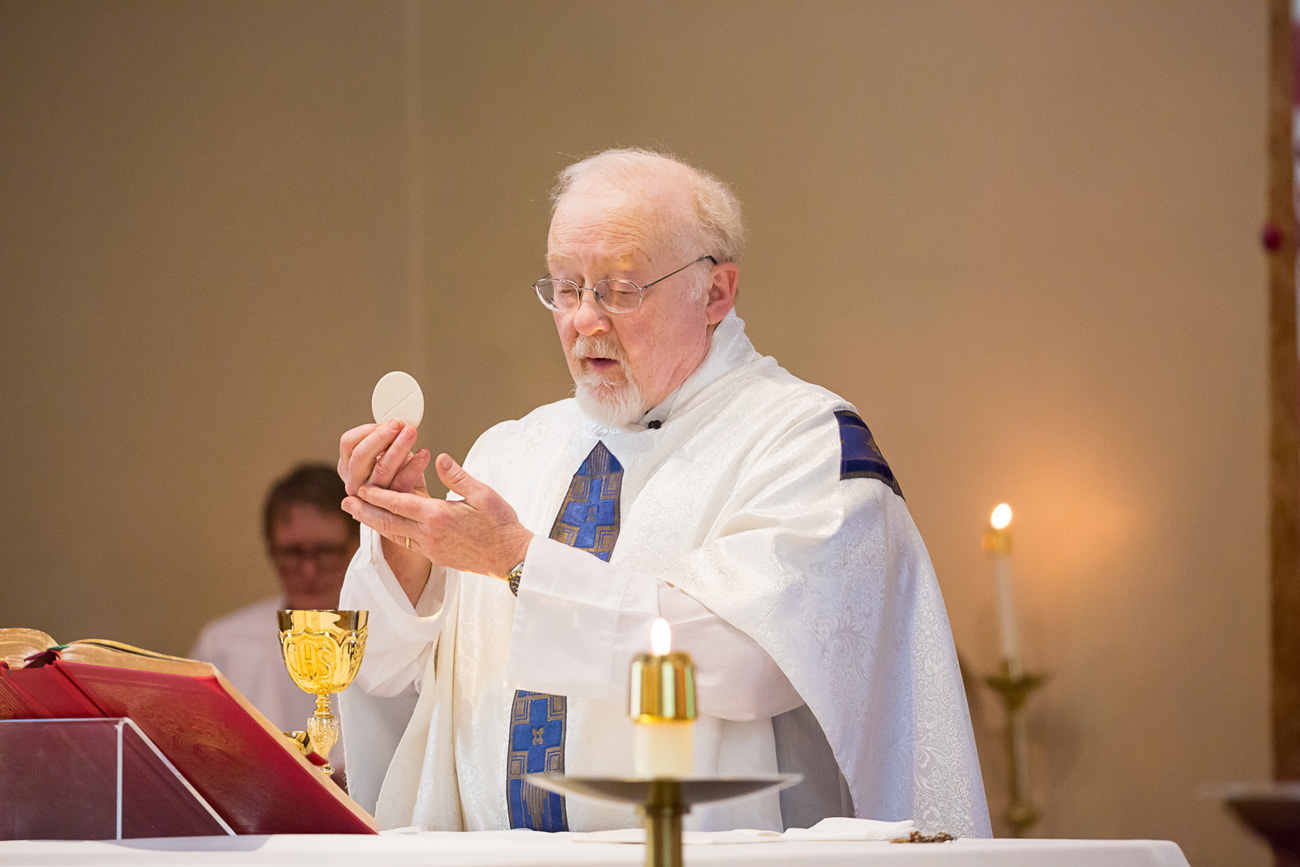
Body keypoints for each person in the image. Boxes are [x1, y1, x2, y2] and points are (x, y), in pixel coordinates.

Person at [336, 148, 990, 837]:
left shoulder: (805, 443)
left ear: (716, 292)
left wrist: (520, 562)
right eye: (565, 287)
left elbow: (750, 660)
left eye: (620, 289)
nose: (585, 320)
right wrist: (403, 551)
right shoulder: (511, 450)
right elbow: (399, 683)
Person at [190, 463, 359, 735]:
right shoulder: (223, 646)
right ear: (271, 548)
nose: (308, 570)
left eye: (326, 552)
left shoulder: (394, 645)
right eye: (292, 553)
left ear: (357, 547)